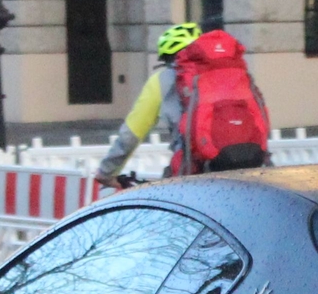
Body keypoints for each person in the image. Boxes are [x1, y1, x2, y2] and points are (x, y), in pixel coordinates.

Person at [97, 22, 270, 183]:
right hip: (251, 168)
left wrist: (106, 173)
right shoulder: (235, 74)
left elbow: (130, 135)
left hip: (194, 175)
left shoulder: (162, 80)